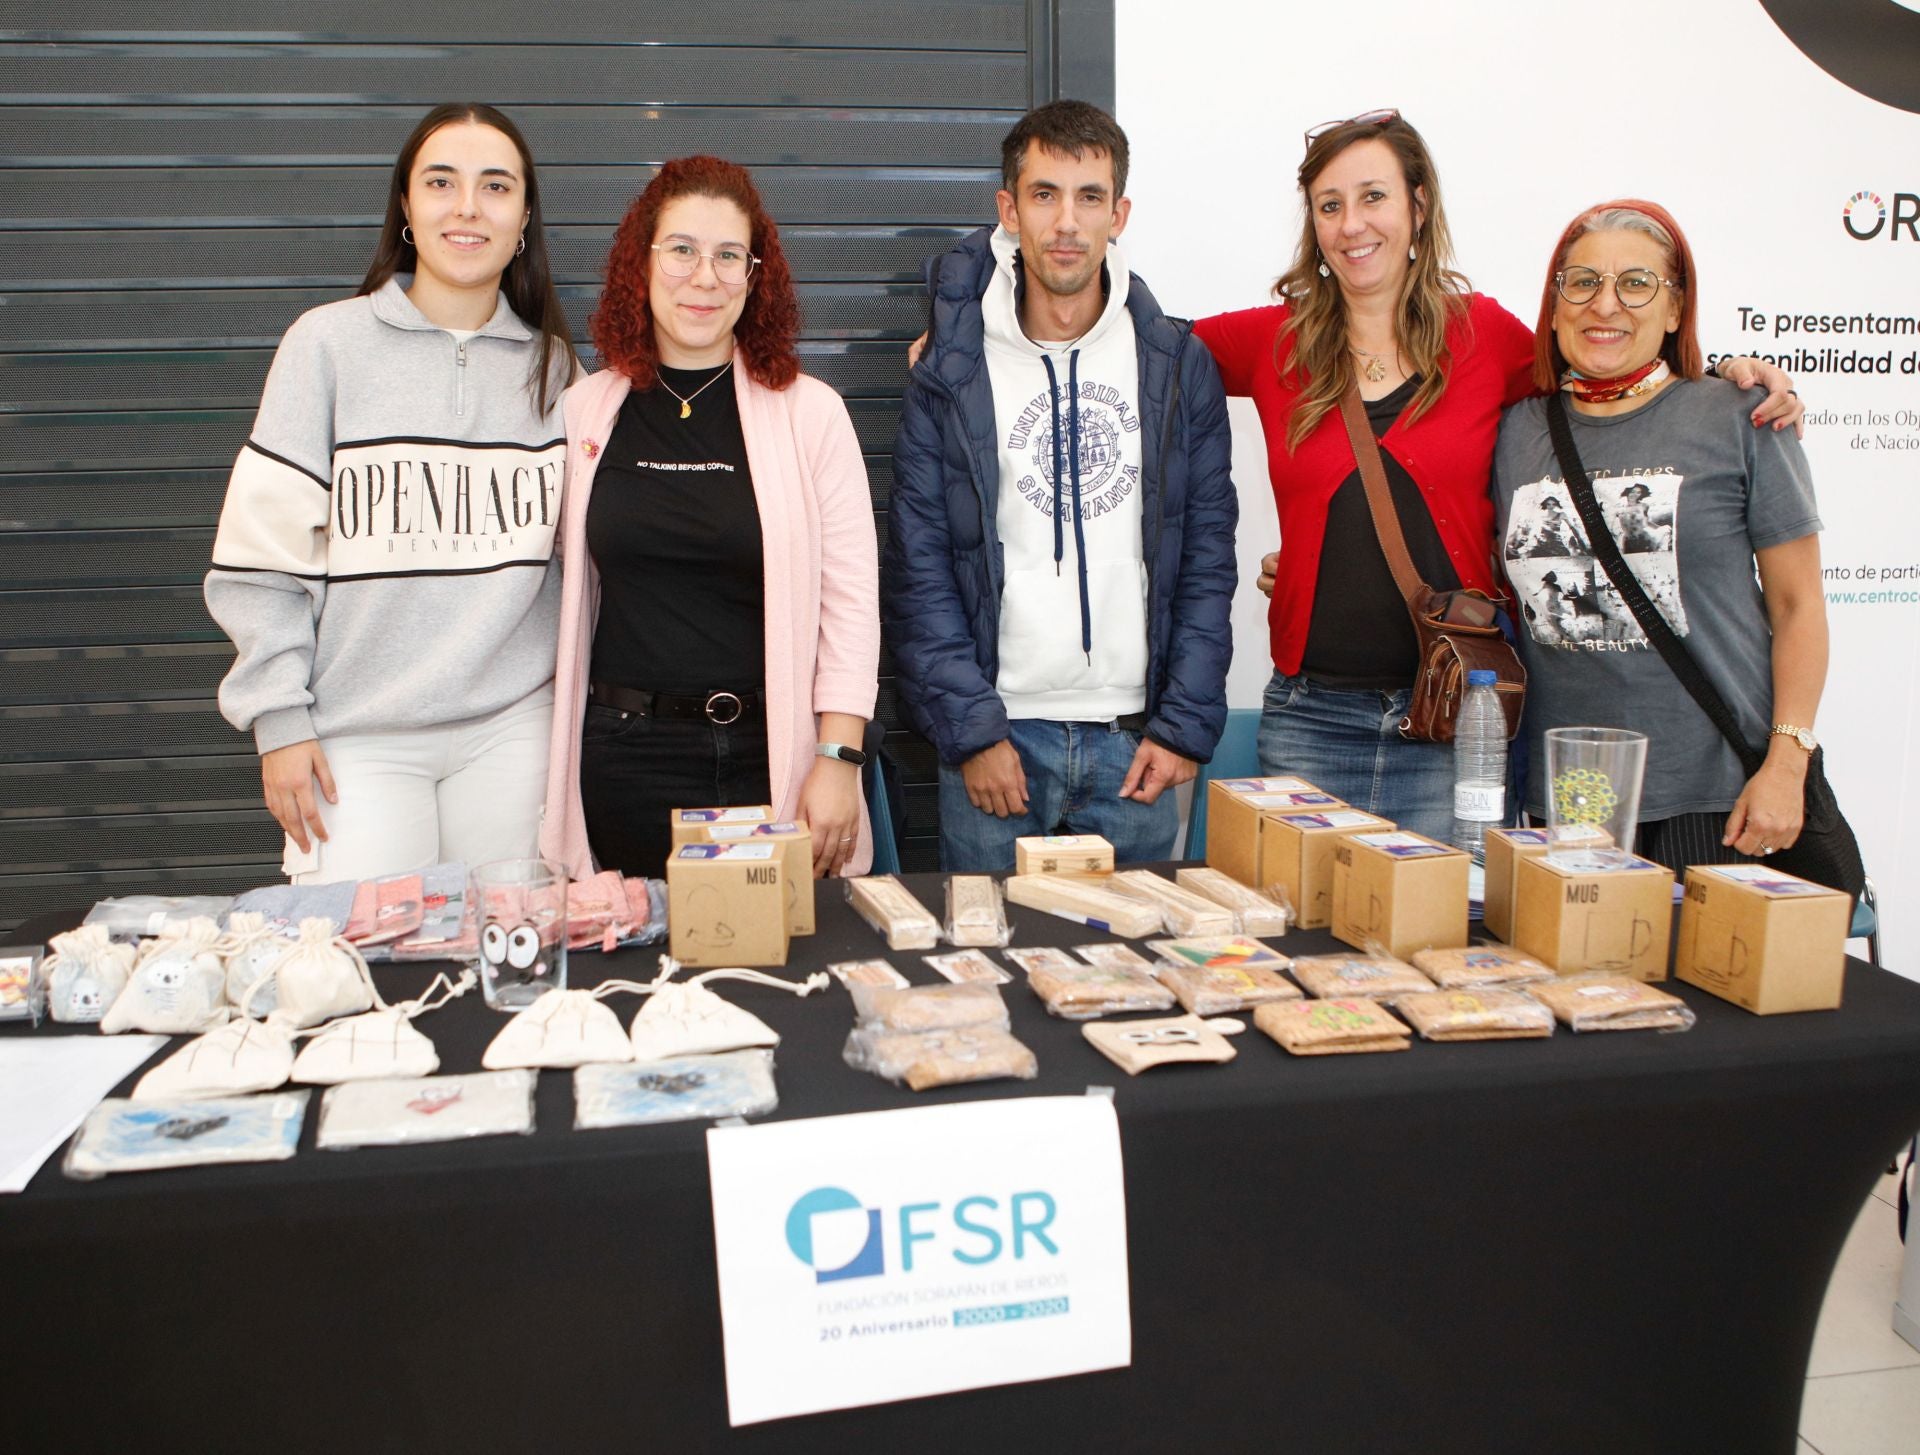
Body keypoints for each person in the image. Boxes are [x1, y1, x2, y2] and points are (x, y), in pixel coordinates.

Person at [1202, 112, 1801, 840]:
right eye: (1330, 206)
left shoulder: (1483, 334)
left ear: (1418, 207)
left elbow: (1601, 362)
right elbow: (1148, 347)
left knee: (1442, 940)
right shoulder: (1273, 341)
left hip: (1460, 716)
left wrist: (1724, 371)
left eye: (1374, 197)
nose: (1352, 224)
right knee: (1299, 941)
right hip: (1310, 721)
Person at [205, 102, 579, 883]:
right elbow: (261, 554)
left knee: (507, 978)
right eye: (440, 182)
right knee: (363, 979)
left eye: (496, 186)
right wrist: (278, 719)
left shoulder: (560, 374)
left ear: (524, 219)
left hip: (514, 732)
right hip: (355, 738)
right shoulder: (326, 345)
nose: (467, 207)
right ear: (406, 207)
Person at [885, 100, 1238, 871]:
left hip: (1133, 748)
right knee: (982, 980)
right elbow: (921, 565)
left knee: (1137, 983)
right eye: (1045, 195)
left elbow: (1208, 554)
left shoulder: (1177, 366)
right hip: (996, 746)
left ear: (1121, 213)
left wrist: (1181, 728)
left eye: (1089, 197)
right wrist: (972, 732)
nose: (1067, 222)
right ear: (1008, 210)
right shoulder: (951, 371)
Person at [539, 156, 879, 881]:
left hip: (768, 763)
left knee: (780, 980)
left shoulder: (811, 413)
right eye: (683, 251)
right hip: (621, 762)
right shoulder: (585, 411)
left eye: (730, 256)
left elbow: (851, 604)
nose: (705, 277)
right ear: (643, 262)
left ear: (756, 276)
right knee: (626, 978)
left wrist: (838, 759)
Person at [1492, 200, 1848, 877]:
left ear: (1676, 307)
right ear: (1556, 299)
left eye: (1636, 283)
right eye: (1583, 281)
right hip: (1566, 802)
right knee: (1582, 987)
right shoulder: (1515, 431)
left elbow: (1799, 606)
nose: (1606, 305)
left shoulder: (1742, 416)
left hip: (1718, 798)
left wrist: (1787, 761)